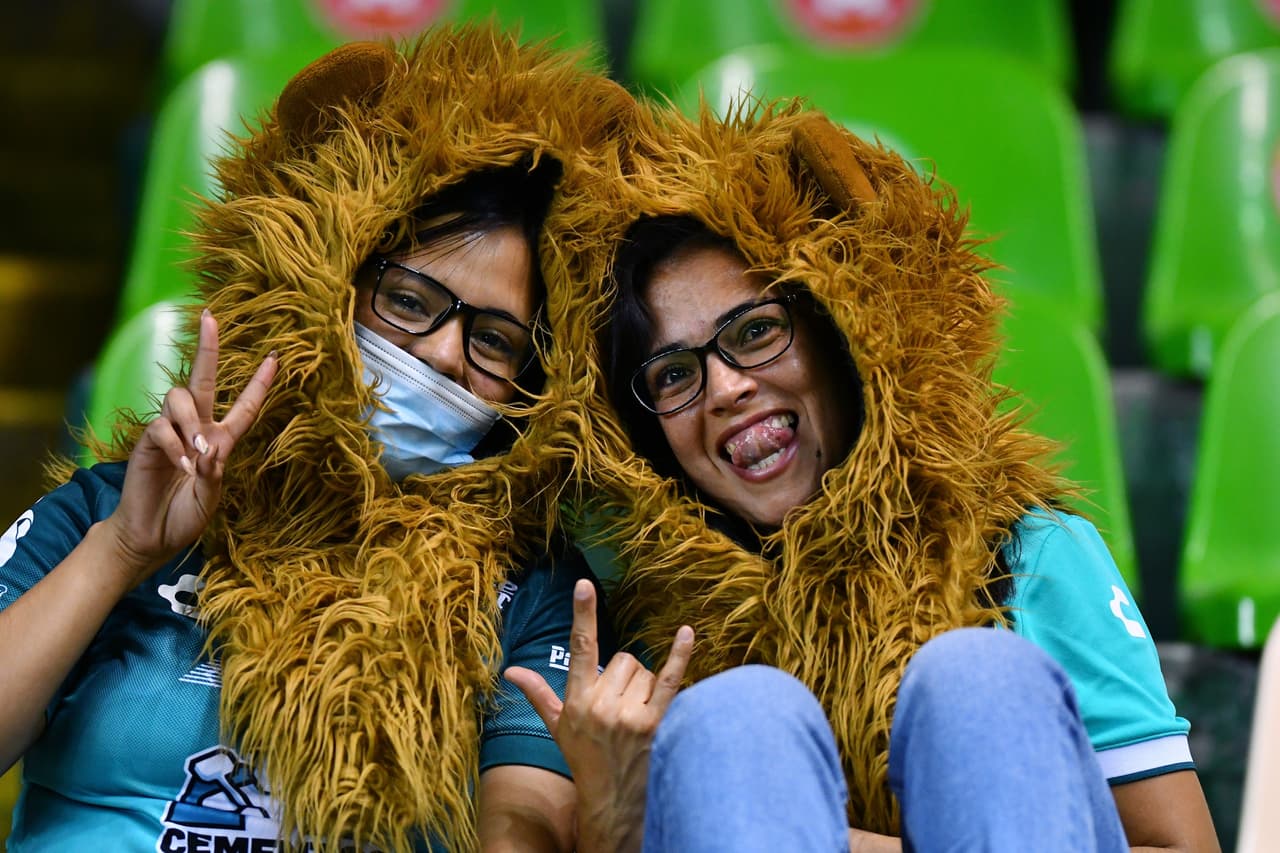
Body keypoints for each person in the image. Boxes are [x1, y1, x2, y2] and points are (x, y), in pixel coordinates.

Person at [507, 104, 1222, 851]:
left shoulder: (1028, 555)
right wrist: (614, 808)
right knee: (735, 720)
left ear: (844, 339)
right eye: (675, 373)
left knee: (977, 682)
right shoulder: (647, 639)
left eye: (754, 332)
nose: (723, 389)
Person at [0, 27, 635, 853]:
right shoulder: (116, 507)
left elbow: (522, 830)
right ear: (329, 289)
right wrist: (120, 548)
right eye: (410, 301)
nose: (445, 351)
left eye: (494, 341)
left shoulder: (539, 588)